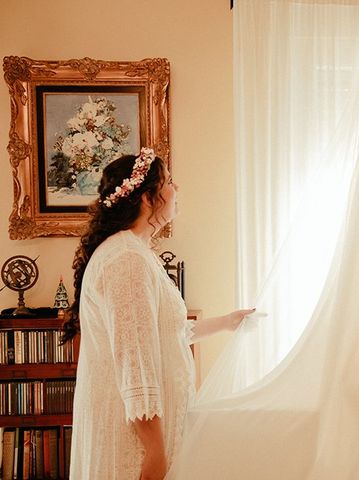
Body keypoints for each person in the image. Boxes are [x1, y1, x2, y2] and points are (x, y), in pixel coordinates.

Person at [61, 147, 254, 480]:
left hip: (152, 434)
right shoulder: (126, 259)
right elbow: (134, 364)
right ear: (147, 199)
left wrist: (227, 322)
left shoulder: (136, 253)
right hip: (134, 444)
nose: (176, 190)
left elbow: (165, 334)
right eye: (168, 182)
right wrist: (155, 452)